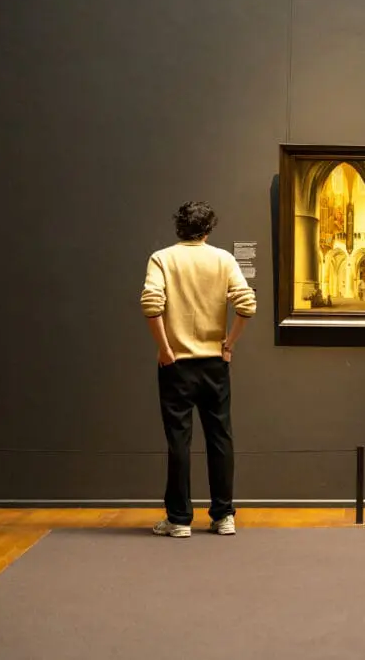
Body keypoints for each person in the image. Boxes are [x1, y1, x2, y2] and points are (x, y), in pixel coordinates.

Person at [140, 201, 256, 538]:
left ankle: (178, 520)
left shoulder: (162, 258)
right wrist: (229, 344)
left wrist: (165, 349)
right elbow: (246, 304)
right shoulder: (223, 259)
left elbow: (151, 302)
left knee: (178, 440)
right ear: (208, 229)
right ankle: (223, 516)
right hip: (213, 364)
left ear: (179, 227)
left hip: (176, 363)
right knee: (220, 438)